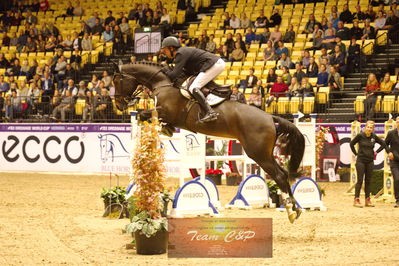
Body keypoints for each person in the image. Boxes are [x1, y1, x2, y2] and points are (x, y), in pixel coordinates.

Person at [161, 36, 224, 122]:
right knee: (197, 84)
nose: (165, 53)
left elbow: (174, 75)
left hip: (214, 64)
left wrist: (165, 71)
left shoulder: (180, 54)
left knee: (193, 87)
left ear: (171, 48)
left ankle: (210, 112)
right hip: (215, 64)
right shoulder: (182, 52)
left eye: (165, 51)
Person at [350, 120, 387, 207]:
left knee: (368, 181)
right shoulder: (360, 135)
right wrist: (356, 154)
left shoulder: (374, 137)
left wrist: (376, 152)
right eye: (368, 127)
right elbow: (351, 144)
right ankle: (356, 199)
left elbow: (384, 144)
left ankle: (367, 200)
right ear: (365, 127)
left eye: (371, 127)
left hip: (370, 161)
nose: (369, 129)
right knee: (359, 180)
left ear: (373, 129)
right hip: (361, 161)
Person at [384, 116, 399, 208]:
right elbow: (385, 144)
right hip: (394, 161)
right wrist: (389, 152)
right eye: (398, 121)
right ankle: (398, 200)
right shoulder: (391, 133)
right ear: (396, 123)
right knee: (397, 179)